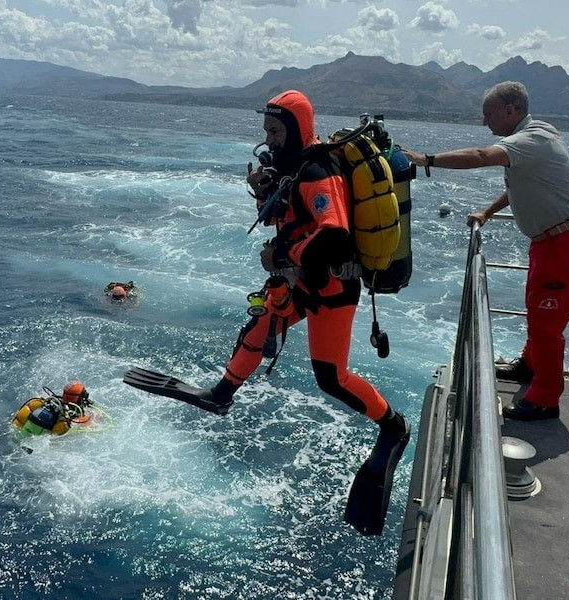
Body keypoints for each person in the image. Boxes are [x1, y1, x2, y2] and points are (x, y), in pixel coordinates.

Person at [124, 89, 410, 535]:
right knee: (261, 323)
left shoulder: (317, 169)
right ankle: (221, 394)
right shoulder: (292, 166)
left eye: (276, 131)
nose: (269, 139)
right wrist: (263, 196)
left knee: (331, 378)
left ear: (297, 129)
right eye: (267, 131)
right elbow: (288, 216)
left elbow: (332, 235)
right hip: (299, 280)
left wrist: (283, 254)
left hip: (330, 286)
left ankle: (393, 426)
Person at [402, 81, 569, 421]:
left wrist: (424, 159)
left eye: (488, 114)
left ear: (510, 111)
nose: (484, 122)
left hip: (565, 241)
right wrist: (488, 212)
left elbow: (480, 156)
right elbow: (524, 185)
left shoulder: (531, 140)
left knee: (547, 321)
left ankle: (545, 399)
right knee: (537, 311)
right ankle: (529, 365)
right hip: (551, 239)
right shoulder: (535, 137)